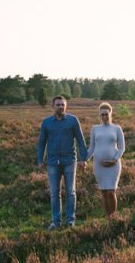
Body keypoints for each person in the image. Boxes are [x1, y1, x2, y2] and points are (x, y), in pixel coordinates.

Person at [36, 95, 87, 229]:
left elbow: (81, 141)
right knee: (54, 193)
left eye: (62, 104)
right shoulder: (46, 123)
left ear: (66, 106)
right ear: (53, 106)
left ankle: (70, 220)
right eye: (58, 104)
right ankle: (56, 221)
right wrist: (40, 160)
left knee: (71, 192)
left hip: (70, 160)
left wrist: (83, 159)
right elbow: (42, 142)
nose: (60, 107)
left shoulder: (73, 120)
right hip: (53, 162)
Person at [85, 102, 126, 217]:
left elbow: (122, 148)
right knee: (103, 192)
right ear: (99, 115)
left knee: (111, 192)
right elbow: (92, 147)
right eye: (102, 115)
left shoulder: (117, 128)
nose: (104, 117)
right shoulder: (95, 129)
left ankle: (113, 217)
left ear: (110, 114)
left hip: (113, 165)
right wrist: (84, 160)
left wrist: (115, 159)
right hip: (98, 165)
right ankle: (107, 216)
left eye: (106, 114)